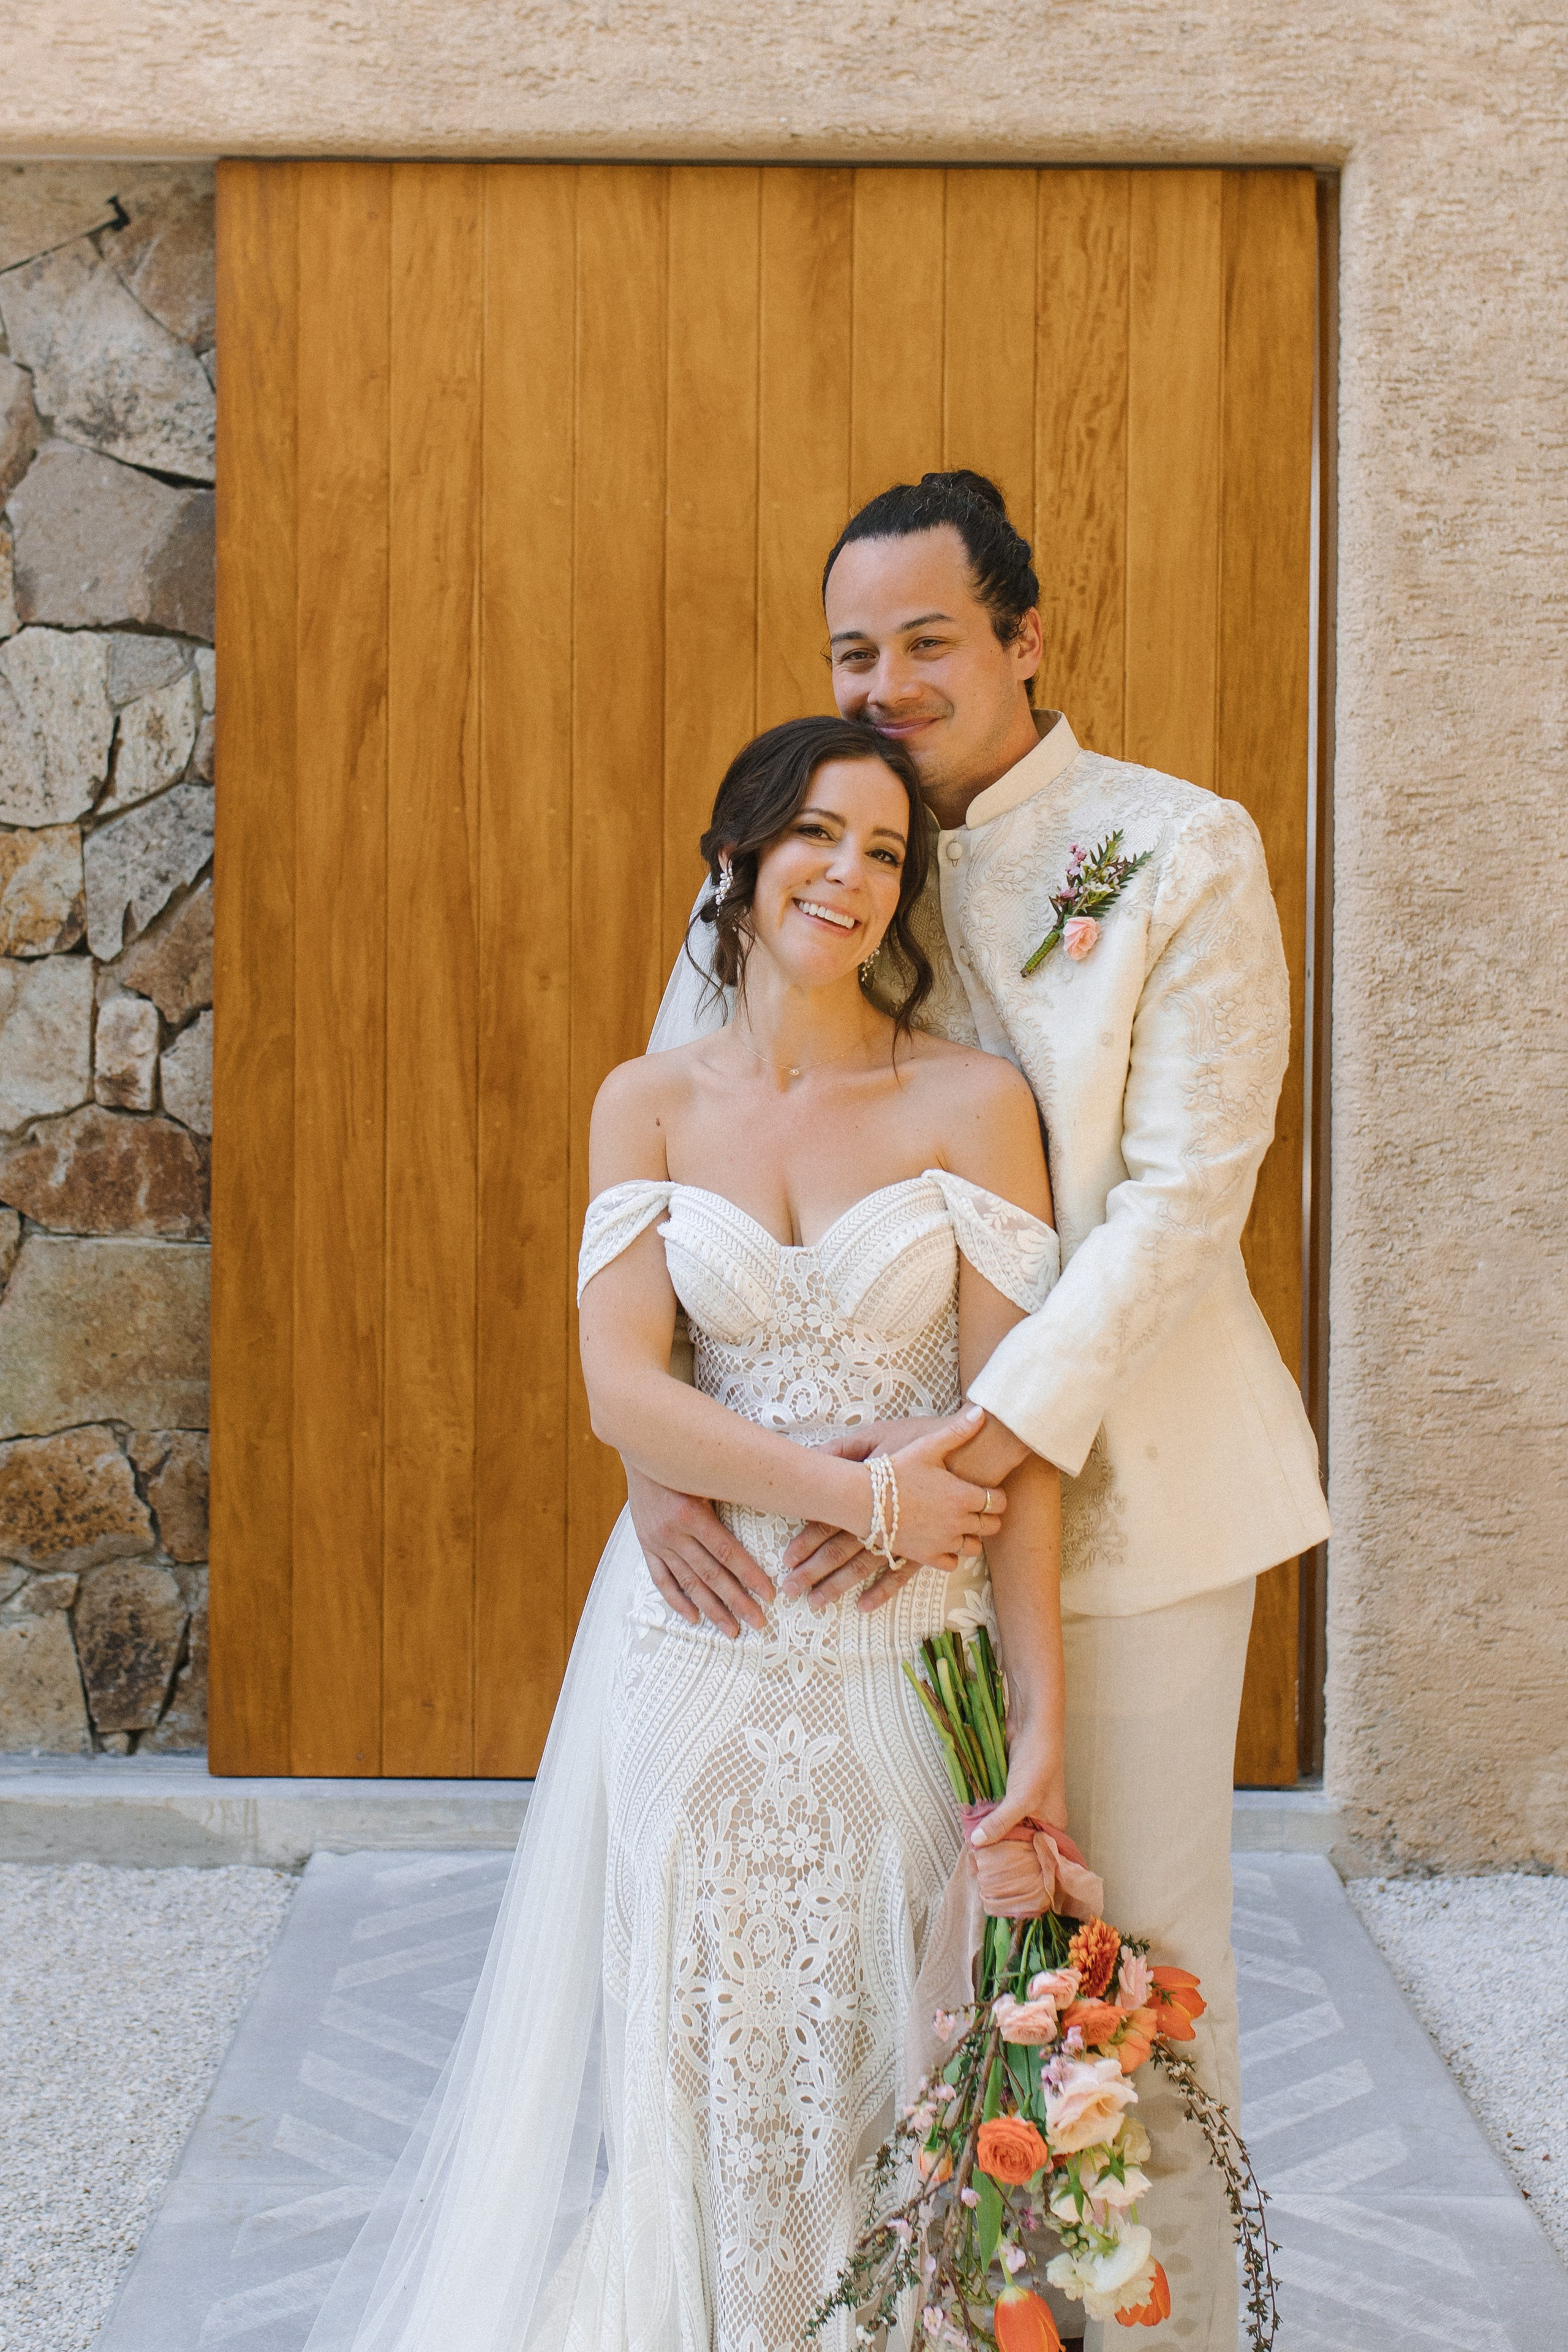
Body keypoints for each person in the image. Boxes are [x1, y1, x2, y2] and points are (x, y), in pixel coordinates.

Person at [639, 472, 1332, 2351]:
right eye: (854, 649)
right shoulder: (800, 845)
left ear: (1029, 640)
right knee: (894, 1997)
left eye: (931, 641)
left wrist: (983, 1443)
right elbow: (688, 1156)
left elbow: (1186, 1195)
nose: (889, 682)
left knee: (1116, 1981)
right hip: (857, 1552)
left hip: (1127, 1509)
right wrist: (659, 1458)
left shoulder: (1174, 849)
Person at [306, 715, 1071, 2352]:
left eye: (885, 852)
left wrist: (1042, 1741)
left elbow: (1026, 1446)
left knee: (889, 2051)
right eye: (817, 835)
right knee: (698, 2071)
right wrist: (860, 1489)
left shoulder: (976, 1103)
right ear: (735, 857)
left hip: (897, 1664)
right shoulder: (643, 1102)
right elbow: (619, 1393)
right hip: (698, 1649)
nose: (850, 877)